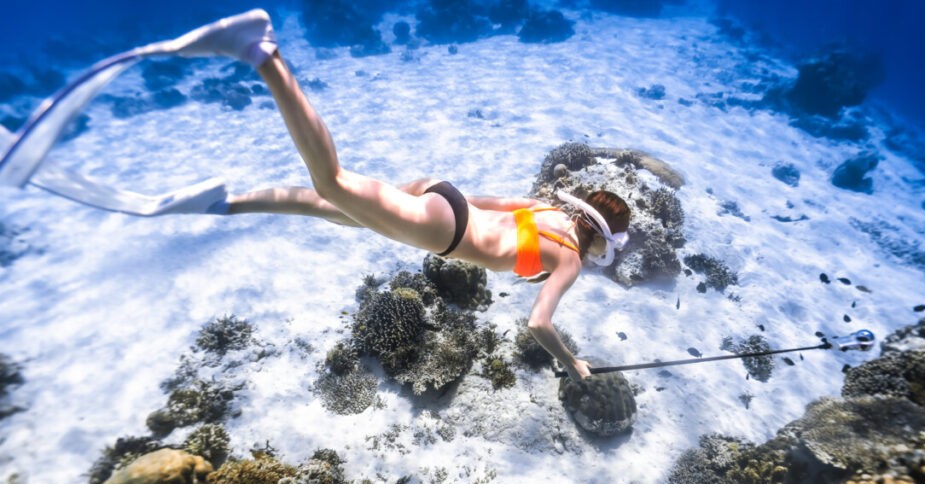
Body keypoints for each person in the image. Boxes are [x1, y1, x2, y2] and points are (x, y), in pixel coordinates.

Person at [39, 10, 633, 380]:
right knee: (334, 183)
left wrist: (426, 206)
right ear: (599, 239)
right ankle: (262, 52)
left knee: (334, 209)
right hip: (442, 231)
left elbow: (488, 202)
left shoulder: (548, 209)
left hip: (442, 197)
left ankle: (225, 203)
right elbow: (537, 323)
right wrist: (572, 362)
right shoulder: (570, 259)